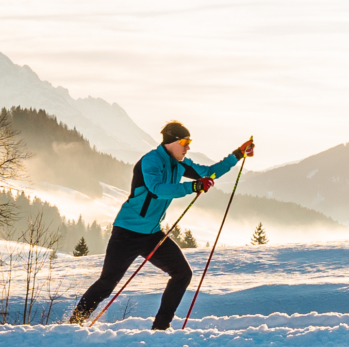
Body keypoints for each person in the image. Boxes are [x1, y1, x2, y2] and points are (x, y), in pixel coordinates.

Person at [70, 122, 255, 329]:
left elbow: (210, 172)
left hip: (151, 234)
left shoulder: (180, 164)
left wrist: (238, 154)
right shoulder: (151, 161)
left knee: (182, 273)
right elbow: (157, 189)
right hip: (127, 233)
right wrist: (193, 186)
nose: (188, 147)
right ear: (171, 141)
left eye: (189, 143)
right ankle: (73, 324)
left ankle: (161, 327)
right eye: (185, 142)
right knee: (107, 284)